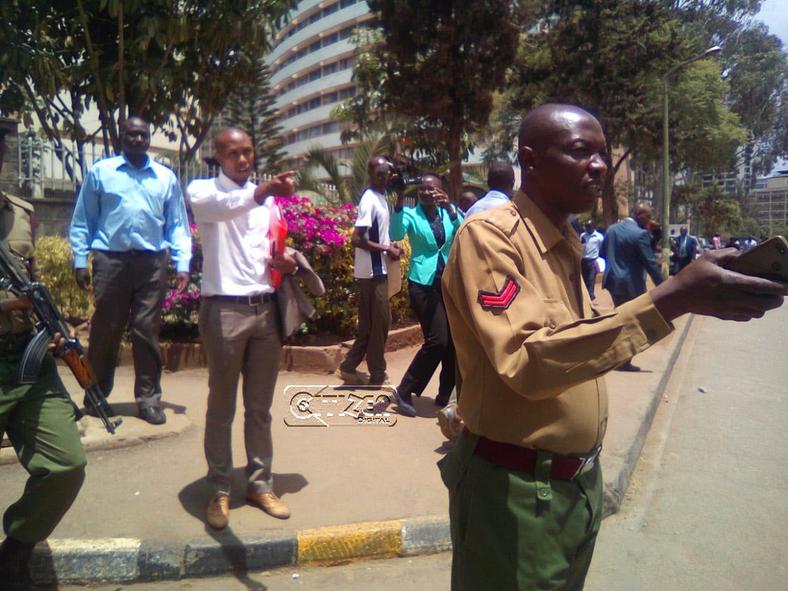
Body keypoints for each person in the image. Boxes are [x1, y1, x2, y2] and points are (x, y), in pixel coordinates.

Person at [439, 103, 785, 591]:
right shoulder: (492, 238)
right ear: (531, 161)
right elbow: (526, 361)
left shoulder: (564, 237)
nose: (599, 165)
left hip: (575, 485)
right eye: (581, 151)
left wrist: (680, 295)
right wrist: (671, 297)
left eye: (602, 154)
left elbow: (576, 335)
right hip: (514, 492)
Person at [187, 128, 297, 529]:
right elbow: (229, 205)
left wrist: (288, 264)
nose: (243, 159)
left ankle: (259, 483)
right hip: (223, 312)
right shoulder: (203, 192)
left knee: (260, 409)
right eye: (233, 153)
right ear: (217, 157)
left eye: (248, 151)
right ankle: (218, 489)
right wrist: (263, 191)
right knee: (221, 407)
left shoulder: (267, 203)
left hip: (264, 312)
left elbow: (275, 247)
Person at [0, 128, 86, 590]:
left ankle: (15, 549)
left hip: (26, 361)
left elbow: (30, 282)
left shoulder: (21, 214)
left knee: (67, 465)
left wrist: (56, 328)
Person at [69, 117, 192, 425]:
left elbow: (177, 223)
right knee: (105, 331)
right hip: (111, 261)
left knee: (146, 330)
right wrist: (81, 260)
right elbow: (84, 219)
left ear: (148, 138)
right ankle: (96, 395)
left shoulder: (165, 177)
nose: (137, 139)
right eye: (131, 134)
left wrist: (183, 262)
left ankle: (149, 400)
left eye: (142, 134)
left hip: (151, 262)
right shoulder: (102, 173)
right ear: (122, 137)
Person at [389, 174, 462, 416]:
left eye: (433, 189)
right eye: (424, 189)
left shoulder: (447, 213)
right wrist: (400, 199)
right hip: (422, 284)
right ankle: (404, 389)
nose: (428, 192)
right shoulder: (411, 214)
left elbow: (465, 231)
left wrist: (451, 207)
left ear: (442, 191)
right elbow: (397, 233)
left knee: (452, 343)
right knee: (438, 340)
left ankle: (444, 394)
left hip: (447, 284)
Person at [337, 157, 402, 385]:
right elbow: (357, 239)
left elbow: (381, 234)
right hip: (373, 273)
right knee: (381, 323)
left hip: (377, 269)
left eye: (387, 174)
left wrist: (391, 245)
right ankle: (377, 373)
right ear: (371, 174)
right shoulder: (369, 200)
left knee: (368, 325)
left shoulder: (382, 198)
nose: (384, 178)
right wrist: (386, 248)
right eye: (380, 174)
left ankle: (348, 366)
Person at [601, 203, 664, 371]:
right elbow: (650, 262)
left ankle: (614, 356)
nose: (650, 220)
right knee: (632, 322)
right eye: (648, 216)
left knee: (620, 318)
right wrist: (665, 286)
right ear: (637, 214)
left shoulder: (612, 229)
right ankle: (622, 361)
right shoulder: (640, 234)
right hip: (630, 283)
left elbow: (602, 253)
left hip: (613, 280)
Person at [580, 219, 604, 300]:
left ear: (593, 227)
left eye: (589, 227)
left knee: (591, 279)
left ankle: (591, 296)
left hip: (593, 260)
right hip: (584, 260)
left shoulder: (599, 237)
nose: (588, 228)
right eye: (587, 227)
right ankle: (585, 295)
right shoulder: (583, 236)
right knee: (584, 278)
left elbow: (602, 247)